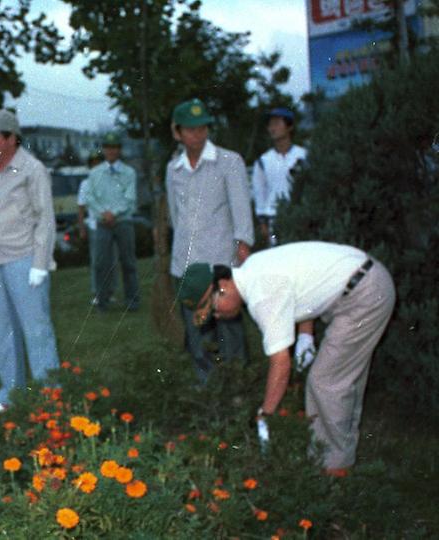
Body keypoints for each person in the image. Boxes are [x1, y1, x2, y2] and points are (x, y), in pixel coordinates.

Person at [178, 241, 396, 475]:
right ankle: (340, 455)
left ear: (222, 286)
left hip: (363, 296)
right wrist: (305, 335)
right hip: (365, 282)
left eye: (214, 309)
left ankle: (335, 472)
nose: (218, 316)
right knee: (341, 378)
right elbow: (303, 287)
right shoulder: (252, 267)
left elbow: (281, 364)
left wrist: (266, 415)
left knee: (325, 382)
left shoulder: (261, 295)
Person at [0, 109, 60, 416]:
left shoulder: (32, 169)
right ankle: (10, 393)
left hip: (24, 260)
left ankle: (51, 397)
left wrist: (40, 262)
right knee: (3, 331)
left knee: (37, 331)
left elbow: (45, 219)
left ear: (11, 138)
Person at [165, 98, 254, 382]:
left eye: (202, 128)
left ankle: (238, 388)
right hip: (187, 265)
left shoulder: (229, 162)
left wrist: (243, 247)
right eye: (190, 129)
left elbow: (241, 209)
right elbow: (174, 214)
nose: (197, 135)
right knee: (197, 334)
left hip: (220, 263)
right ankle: (208, 392)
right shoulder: (173, 169)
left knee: (229, 331)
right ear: (177, 132)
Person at [83, 133, 139, 311]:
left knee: (128, 262)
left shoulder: (129, 172)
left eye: (115, 147)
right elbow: (89, 198)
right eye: (108, 147)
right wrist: (103, 213)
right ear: (103, 150)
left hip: (123, 221)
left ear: (119, 150)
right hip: (102, 223)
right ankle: (102, 301)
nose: (111, 151)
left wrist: (113, 213)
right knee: (101, 263)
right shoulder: (94, 173)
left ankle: (132, 300)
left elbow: (129, 198)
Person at [251, 107, 308, 247]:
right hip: (273, 220)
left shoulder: (304, 156)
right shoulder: (263, 161)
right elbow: (259, 193)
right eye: (270, 124)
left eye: (277, 123)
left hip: (300, 217)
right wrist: (262, 222)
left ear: (289, 127)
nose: (272, 128)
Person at [77, 150, 118, 304]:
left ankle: (111, 292)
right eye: (93, 164)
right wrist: (81, 228)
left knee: (111, 260)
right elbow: (81, 208)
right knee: (97, 262)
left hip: (111, 224)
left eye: (98, 163)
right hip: (95, 226)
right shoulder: (85, 184)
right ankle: (97, 293)